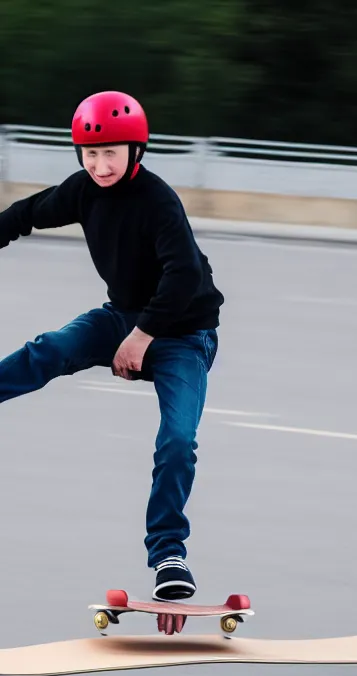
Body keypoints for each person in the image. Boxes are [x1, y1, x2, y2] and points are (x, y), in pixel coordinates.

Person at [0, 91, 224, 601]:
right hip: (120, 319)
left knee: (177, 441)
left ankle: (168, 554)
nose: (100, 165)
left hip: (182, 336)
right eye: (90, 154)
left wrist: (142, 337)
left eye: (111, 153)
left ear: (136, 152)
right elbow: (25, 213)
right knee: (49, 350)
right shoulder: (83, 191)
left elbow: (185, 273)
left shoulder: (158, 200)